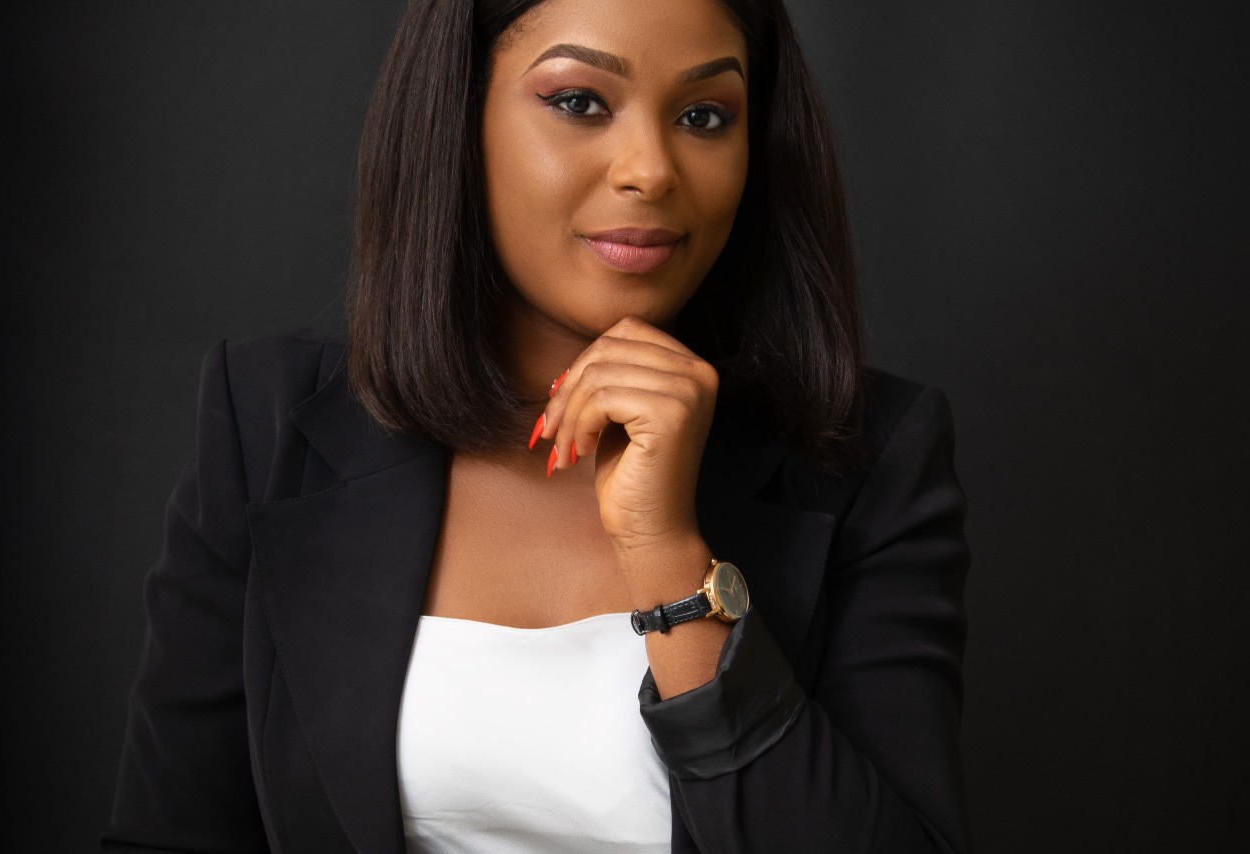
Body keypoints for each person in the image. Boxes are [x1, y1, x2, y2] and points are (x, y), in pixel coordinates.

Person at [104, 0, 971, 851]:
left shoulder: (866, 454)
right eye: (579, 102)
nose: (651, 170)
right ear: (458, 116)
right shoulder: (267, 420)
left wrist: (667, 553)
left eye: (705, 115)